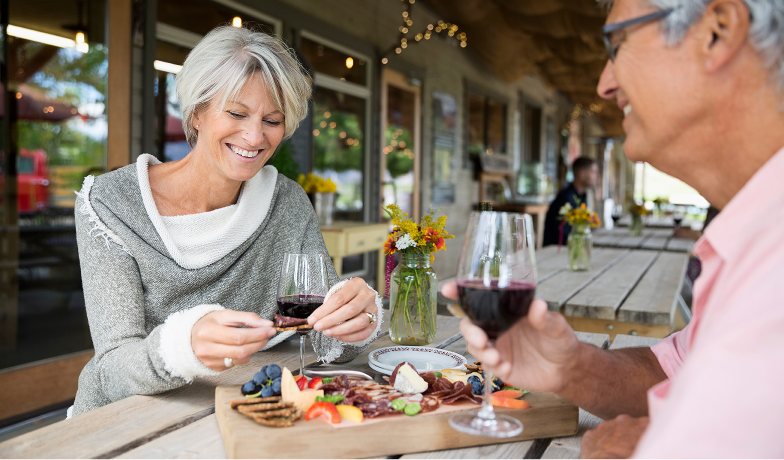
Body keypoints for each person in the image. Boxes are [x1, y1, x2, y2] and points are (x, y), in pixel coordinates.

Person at [446, 0, 784, 458]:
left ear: (717, 32)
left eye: (618, 43)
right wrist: (572, 368)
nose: (604, 85)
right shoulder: (753, 232)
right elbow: (678, 368)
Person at [71, 26, 383, 416]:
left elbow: (324, 338)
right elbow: (112, 369)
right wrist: (182, 347)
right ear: (197, 112)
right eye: (236, 113)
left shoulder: (287, 201)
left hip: (247, 410)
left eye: (273, 120)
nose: (254, 137)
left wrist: (357, 318)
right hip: (123, 422)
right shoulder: (111, 202)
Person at [542, 157, 599, 246]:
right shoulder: (565, 199)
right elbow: (563, 236)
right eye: (593, 172)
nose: (596, 176)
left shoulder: (582, 196)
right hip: (556, 254)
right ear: (582, 175)